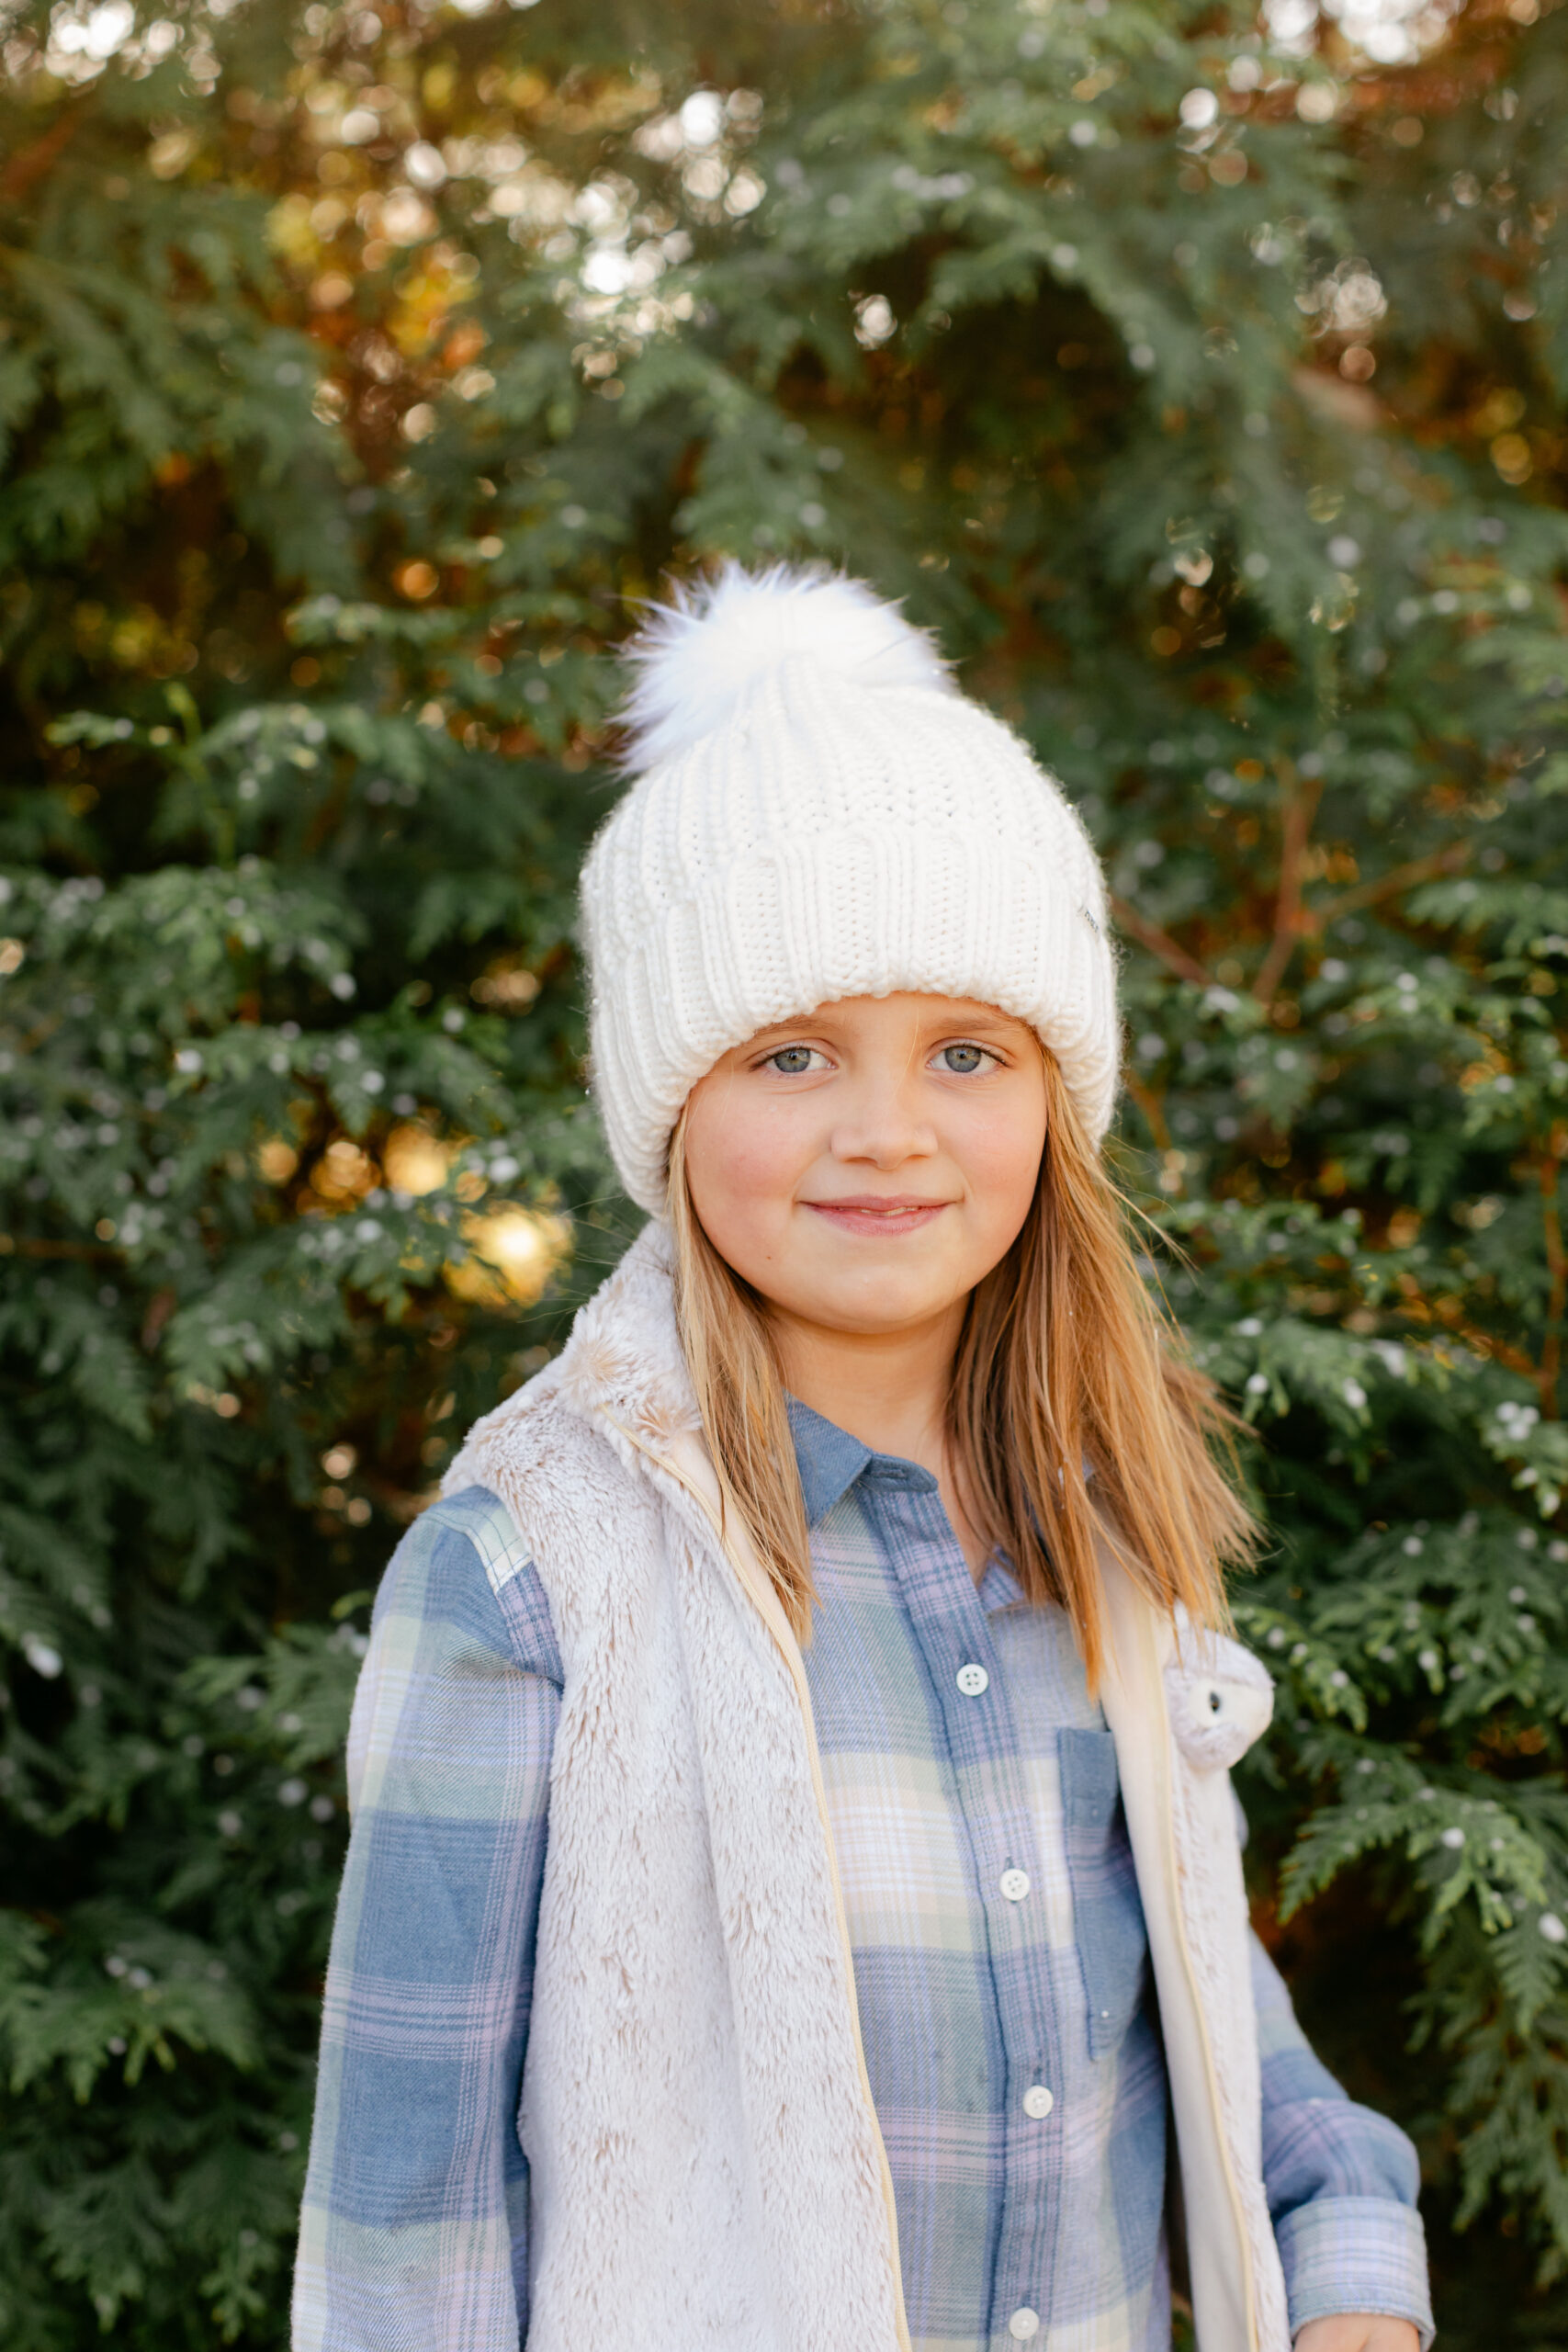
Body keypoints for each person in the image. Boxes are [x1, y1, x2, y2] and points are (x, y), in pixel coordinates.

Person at [292, 566, 1433, 2352]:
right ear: (672, 1105)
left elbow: (1213, 2025)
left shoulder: (1094, 1544)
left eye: (965, 1049)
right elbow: (406, 2225)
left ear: (1053, 1100)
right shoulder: (527, 1572)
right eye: (793, 1050)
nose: (884, 1130)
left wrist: (1346, 2260)